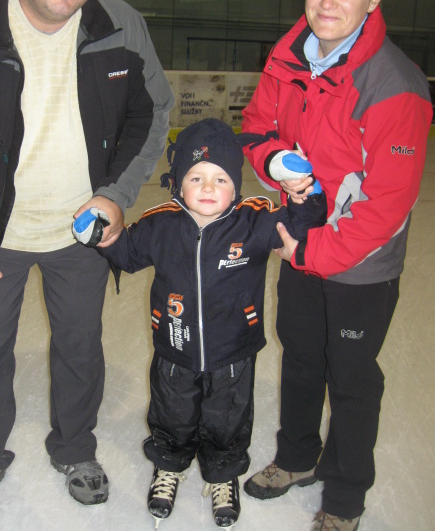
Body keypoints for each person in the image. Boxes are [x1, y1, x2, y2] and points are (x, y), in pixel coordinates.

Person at [0, 0, 174, 521]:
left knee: (80, 345)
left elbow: (153, 111)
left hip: (82, 233)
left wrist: (116, 194)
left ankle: (74, 447)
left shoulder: (119, 24)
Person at [241, 0, 432, 531]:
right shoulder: (288, 56)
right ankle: (298, 457)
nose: (327, 1)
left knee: (351, 379)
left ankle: (345, 497)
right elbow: (257, 125)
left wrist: (313, 248)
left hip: (359, 264)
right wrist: (274, 161)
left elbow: (387, 203)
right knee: (300, 357)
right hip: (299, 244)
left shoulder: (394, 84)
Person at [97, 118, 327, 529]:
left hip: (233, 350)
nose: (207, 187)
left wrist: (303, 195)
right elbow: (127, 253)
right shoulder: (161, 222)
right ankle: (169, 465)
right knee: (172, 412)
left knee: (228, 417)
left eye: (220, 179)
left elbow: (300, 224)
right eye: (196, 177)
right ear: (177, 184)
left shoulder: (254, 220)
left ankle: (222, 475)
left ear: (235, 187)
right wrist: (103, 237)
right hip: (175, 345)